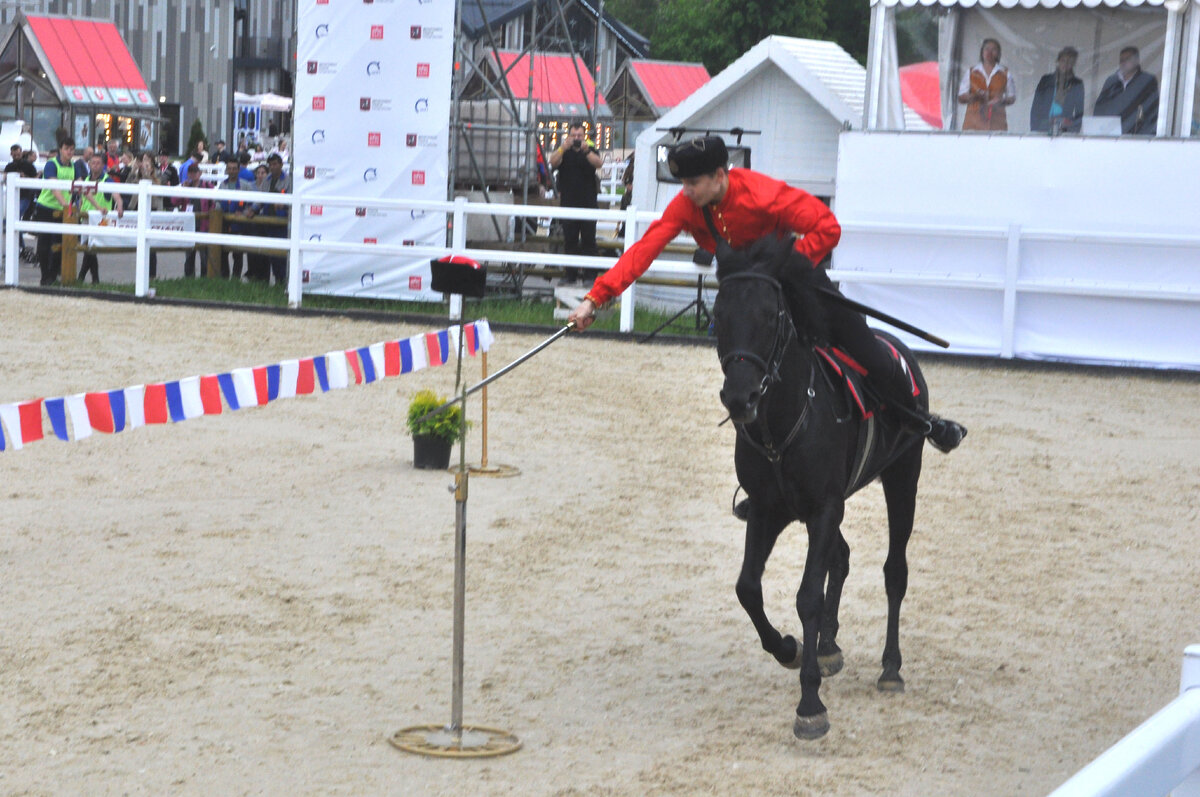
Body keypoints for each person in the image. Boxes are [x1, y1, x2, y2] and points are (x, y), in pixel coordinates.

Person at [566, 136, 967, 464]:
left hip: (794, 279)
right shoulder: (687, 206)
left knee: (868, 351)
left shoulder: (763, 194)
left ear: (720, 175)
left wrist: (787, 264)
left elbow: (827, 226)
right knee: (744, 372)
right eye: (683, 185)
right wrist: (595, 299)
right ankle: (761, 481)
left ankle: (921, 421)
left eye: (692, 184)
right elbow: (644, 250)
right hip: (747, 300)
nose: (685, 192)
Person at [549, 123, 603, 283]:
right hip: (568, 204)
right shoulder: (564, 151)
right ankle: (570, 275)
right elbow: (552, 162)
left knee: (589, 241)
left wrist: (586, 150)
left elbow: (599, 163)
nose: (577, 139)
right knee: (570, 241)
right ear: (569, 136)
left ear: (584, 136)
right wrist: (562, 148)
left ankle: (590, 276)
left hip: (588, 203)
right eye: (574, 136)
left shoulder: (590, 150)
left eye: (580, 136)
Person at [31, 136, 76, 285]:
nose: (69, 152)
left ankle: (53, 275)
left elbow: (79, 185)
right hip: (46, 207)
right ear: (60, 150)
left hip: (62, 209)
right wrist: (65, 205)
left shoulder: (73, 166)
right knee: (44, 243)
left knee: (59, 243)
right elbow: (54, 187)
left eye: (71, 149)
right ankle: (45, 276)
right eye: (66, 149)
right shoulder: (52, 164)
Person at [77, 150, 125, 284]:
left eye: (98, 163)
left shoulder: (107, 180)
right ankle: (93, 279)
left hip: (100, 220)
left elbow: (117, 196)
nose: (95, 166)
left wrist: (120, 206)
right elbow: (82, 199)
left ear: (103, 165)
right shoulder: (86, 179)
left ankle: (85, 278)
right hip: (86, 218)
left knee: (90, 249)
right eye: (93, 163)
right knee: (89, 249)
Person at [1094, 46, 1159, 135]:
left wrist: (1147, 132)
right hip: (1111, 132)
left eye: (1127, 59)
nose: (1123, 63)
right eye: (1121, 60)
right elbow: (1100, 107)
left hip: (1137, 133)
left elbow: (1152, 109)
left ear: (1137, 61)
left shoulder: (1147, 80)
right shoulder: (1112, 81)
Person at [248, 152, 291, 285]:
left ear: (281, 165)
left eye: (275, 164)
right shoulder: (267, 181)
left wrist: (284, 204)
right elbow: (261, 199)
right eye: (271, 165)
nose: (272, 167)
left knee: (282, 255)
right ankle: (277, 280)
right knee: (272, 255)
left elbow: (292, 200)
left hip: (282, 221)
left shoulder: (288, 180)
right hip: (268, 220)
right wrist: (252, 209)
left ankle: (284, 281)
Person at [958, 38, 1016, 132]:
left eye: (994, 49)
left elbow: (1012, 97)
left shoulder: (1005, 73)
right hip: (973, 123)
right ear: (982, 52)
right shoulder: (972, 71)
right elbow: (961, 97)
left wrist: (1001, 100)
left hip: (997, 123)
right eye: (987, 49)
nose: (989, 52)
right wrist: (974, 96)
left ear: (998, 53)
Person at [1030, 47, 1085, 134]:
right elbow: (1036, 107)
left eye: (1070, 62)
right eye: (1063, 60)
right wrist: (1034, 128)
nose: (1066, 64)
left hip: (1064, 129)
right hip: (1042, 127)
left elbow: (1079, 112)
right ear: (1058, 61)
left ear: (1073, 64)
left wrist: (1072, 131)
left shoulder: (1077, 84)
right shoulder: (1046, 80)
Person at [5, 143, 39, 221]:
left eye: (18, 154)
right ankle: (19, 232)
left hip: (25, 195)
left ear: (21, 153)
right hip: (12, 195)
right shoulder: (9, 166)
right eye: (14, 155)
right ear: (11, 154)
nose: (16, 156)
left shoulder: (29, 165)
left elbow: (35, 178)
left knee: (18, 213)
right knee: (14, 214)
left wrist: (25, 177)